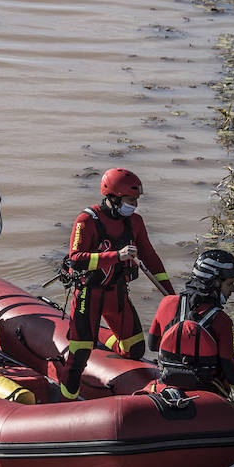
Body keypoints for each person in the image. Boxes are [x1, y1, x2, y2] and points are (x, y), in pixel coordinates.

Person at [58, 168, 172, 401]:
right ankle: (65, 400)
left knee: (136, 349)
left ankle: (99, 339)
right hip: (88, 295)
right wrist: (116, 256)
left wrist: (170, 295)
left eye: (137, 200)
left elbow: (150, 257)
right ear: (114, 197)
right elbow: (76, 259)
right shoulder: (87, 220)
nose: (135, 205)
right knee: (79, 355)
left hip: (116, 294)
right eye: (131, 200)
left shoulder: (135, 222)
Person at [145, 249, 234, 419]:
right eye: (230, 284)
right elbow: (231, 370)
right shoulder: (222, 321)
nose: (233, 290)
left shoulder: (166, 303)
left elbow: (152, 345)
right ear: (215, 283)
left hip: (166, 387)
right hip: (208, 397)